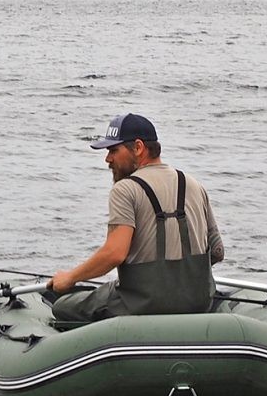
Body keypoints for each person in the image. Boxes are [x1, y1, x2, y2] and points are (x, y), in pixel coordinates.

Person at [48, 113, 224, 323]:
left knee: (63, 307)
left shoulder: (125, 189)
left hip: (141, 304)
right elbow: (217, 252)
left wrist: (70, 278)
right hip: (197, 302)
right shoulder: (194, 185)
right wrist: (178, 282)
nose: (108, 159)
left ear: (138, 147)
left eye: (114, 150)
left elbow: (115, 253)